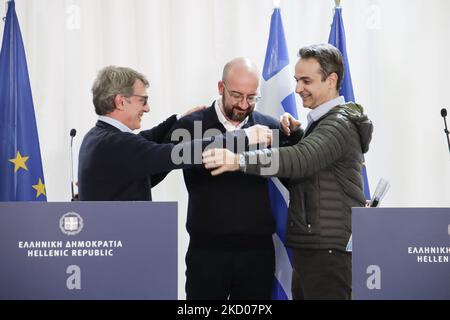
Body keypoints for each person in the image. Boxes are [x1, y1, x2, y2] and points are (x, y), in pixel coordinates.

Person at [203, 44, 374, 300]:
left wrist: (238, 160)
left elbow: (302, 159)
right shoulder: (322, 123)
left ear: (332, 80)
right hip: (315, 247)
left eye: (306, 81)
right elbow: (314, 165)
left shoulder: (338, 124)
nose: (297, 89)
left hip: (328, 251)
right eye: (296, 80)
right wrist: (297, 136)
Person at [165, 58, 296, 300]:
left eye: (251, 97)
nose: (243, 104)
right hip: (206, 252)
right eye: (236, 95)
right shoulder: (190, 126)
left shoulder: (270, 128)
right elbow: (156, 162)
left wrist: (296, 132)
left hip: (257, 254)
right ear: (220, 87)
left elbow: (296, 174)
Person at [78, 66, 271, 201]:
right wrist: (244, 137)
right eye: (143, 101)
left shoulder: (98, 136)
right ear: (121, 101)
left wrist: (177, 119)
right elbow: (176, 154)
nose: (147, 108)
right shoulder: (117, 144)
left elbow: (146, 139)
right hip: (122, 247)